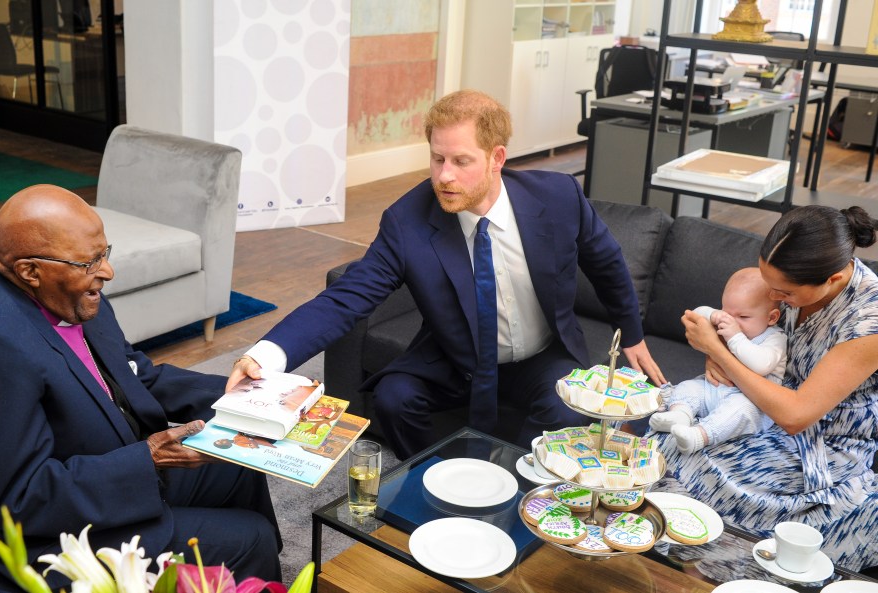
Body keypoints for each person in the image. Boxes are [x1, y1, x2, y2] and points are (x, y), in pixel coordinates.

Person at [229, 89, 665, 460]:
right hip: (456, 357)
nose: (444, 176)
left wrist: (631, 334)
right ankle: (432, 477)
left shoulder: (558, 196)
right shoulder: (407, 221)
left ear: (497, 158)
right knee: (393, 399)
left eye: (460, 160)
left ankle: (513, 487)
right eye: (437, 159)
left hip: (541, 354)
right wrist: (267, 355)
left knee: (569, 412)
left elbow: (606, 261)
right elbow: (348, 297)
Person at [0, 185, 281, 591]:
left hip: (104, 470)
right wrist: (149, 458)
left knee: (239, 470)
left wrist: (251, 397)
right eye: (89, 261)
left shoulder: (73, 296)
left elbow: (136, 377)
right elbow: (18, 501)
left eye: (104, 253)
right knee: (250, 538)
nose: (107, 272)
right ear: (29, 271)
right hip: (41, 538)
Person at [659, 204, 878, 570]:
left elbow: (797, 416)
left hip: (823, 444)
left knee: (696, 463)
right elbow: (746, 328)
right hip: (760, 407)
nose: (773, 298)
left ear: (834, 280)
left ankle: (708, 569)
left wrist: (719, 353)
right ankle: (662, 556)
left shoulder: (868, 319)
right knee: (660, 437)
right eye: (769, 284)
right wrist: (721, 350)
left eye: (784, 293)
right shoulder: (788, 280)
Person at [649, 267, 786, 454]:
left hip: (751, 402)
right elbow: (696, 313)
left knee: (740, 412)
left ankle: (699, 436)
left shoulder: (775, 339)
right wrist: (712, 315)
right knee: (688, 387)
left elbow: (761, 366)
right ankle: (679, 415)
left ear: (771, 318)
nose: (733, 322)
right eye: (727, 313)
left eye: (743, 317)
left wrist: (736, 338)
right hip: (712, 389)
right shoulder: (730, 318)